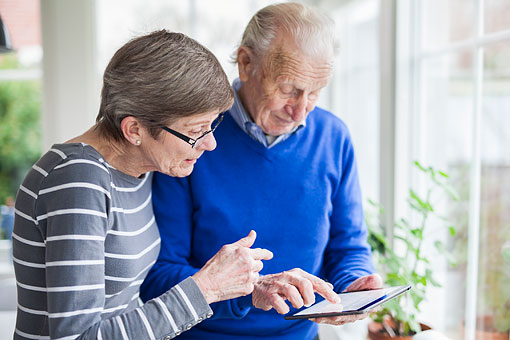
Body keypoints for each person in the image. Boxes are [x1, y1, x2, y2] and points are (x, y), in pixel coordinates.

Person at [140, 3, 382, 340]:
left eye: (314, 93)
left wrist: (355, 282)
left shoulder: (333, 137)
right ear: (246, 63)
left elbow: (348, 246)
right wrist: (250, 290)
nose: (300, 111)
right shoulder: (189, 138)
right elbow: (157, 276)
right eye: (289, 89)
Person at [12, 30, 273, 340]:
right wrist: (206, 287)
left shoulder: (140, 170)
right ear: (134, 129)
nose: (211, 144)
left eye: (212, 125)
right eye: (197, 131)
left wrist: (246, 289)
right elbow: (77, 338)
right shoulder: (78, 180)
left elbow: (125, 305)